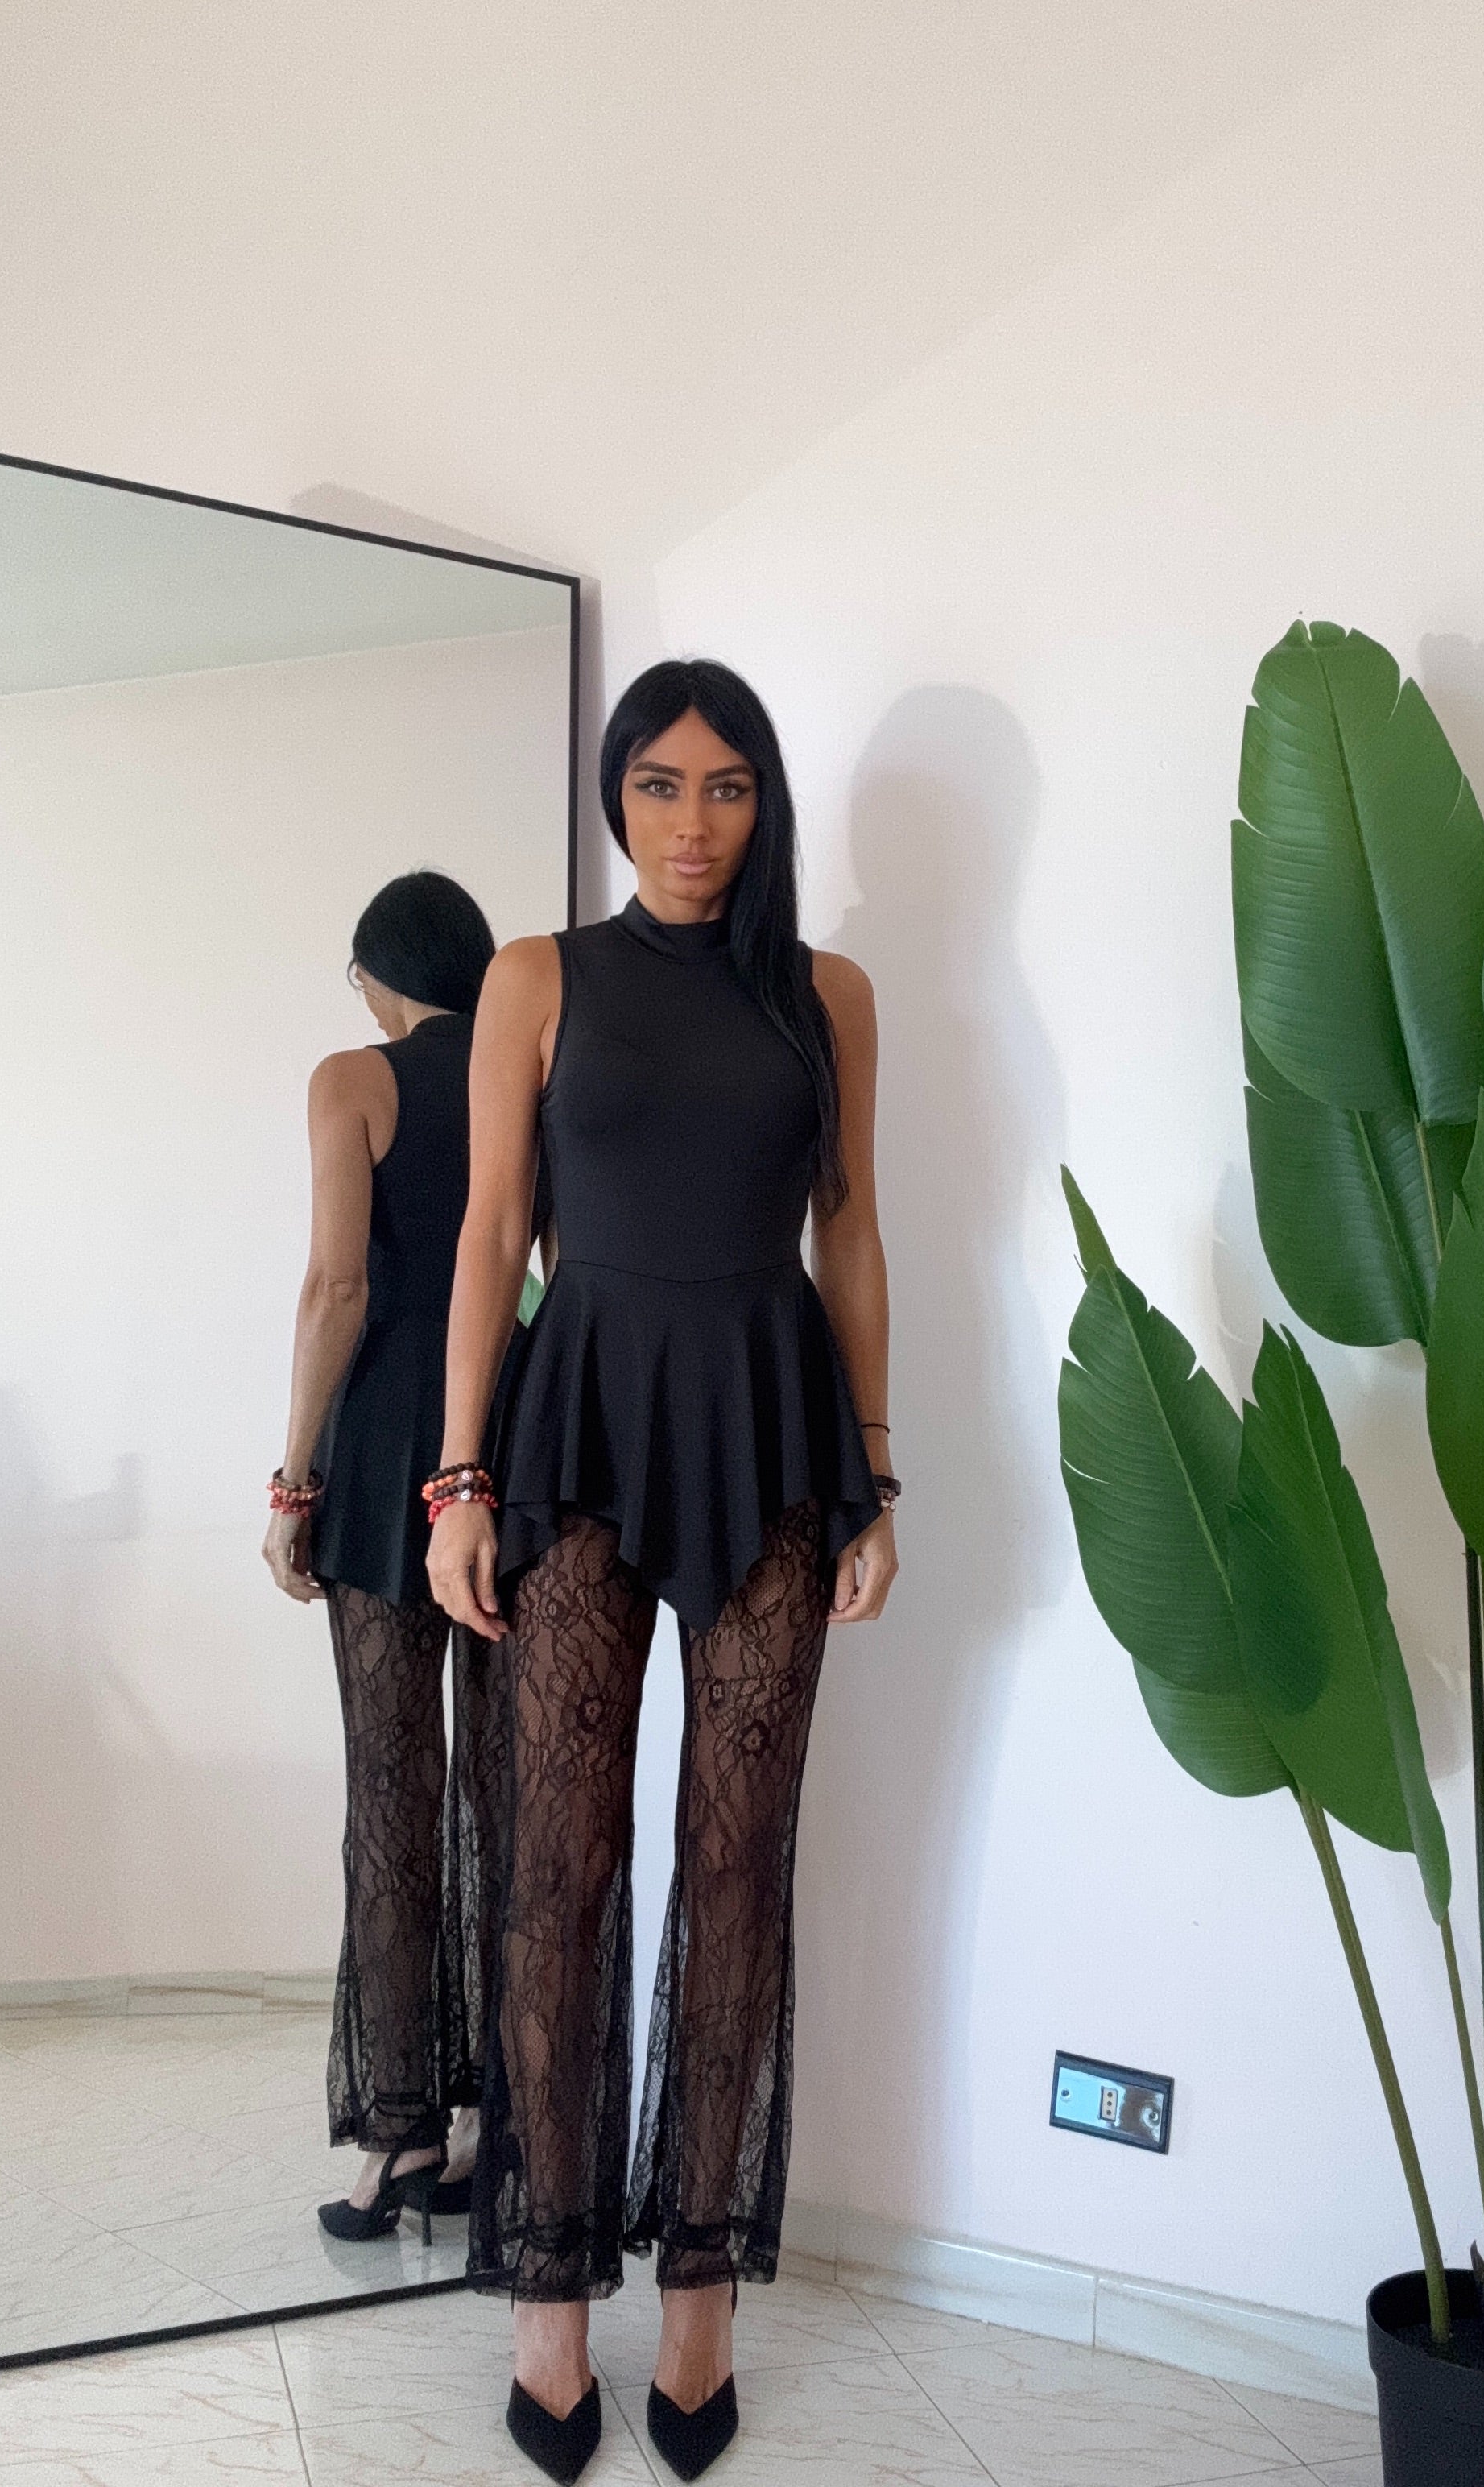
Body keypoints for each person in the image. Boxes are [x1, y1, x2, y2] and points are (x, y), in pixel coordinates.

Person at [428, 660, 898, 2482]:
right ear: (615, 797)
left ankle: (699, 2295)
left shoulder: (827, 993)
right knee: (558, 1864)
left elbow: (850, 1230)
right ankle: (551, 2304)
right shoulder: (538, 976)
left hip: (774, 1429)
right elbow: (491, 1232)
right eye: (659, 784)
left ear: (765, 801)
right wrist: (458, 1478)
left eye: (727, 786)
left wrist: (873, 1471)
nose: (693, 822)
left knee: (736, 1861)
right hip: (580, 1432)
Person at [264, 871, 515, 2246]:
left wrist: (292, 1479)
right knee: (512, 1794)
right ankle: (502, 2132)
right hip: (511, 1431)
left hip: (383, 1454)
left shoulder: (352, 1077)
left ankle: (398, 2133)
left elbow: (338, 1286)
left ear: (376, 972)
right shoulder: (521, 1066)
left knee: (392, 1791)